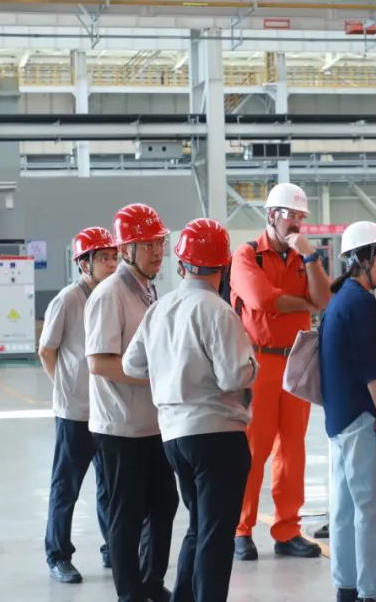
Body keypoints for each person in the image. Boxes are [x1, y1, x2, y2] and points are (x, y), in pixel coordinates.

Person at [124, 218, 258, 602]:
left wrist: (169, 374)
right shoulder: (217, 311)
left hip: (174, 437)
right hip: (217, 436)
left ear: (182, 264)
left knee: (199, 528)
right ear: (224, 265)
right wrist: (253, 364)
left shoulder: (160, 308)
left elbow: (132, 365)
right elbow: (234, 377)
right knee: (216, 535)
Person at [229, 182, 331, 561]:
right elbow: (260, 299)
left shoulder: (303, 257)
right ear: (272, 215)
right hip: (260, 363)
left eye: (301, 216)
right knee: (254, 448)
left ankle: (287, 529)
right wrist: (302, 302)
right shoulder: (247, 255)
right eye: (291, 215)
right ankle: (241, 529)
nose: (296, 223)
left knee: (293, 448)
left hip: (297, 360)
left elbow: (323, 299)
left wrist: (311, 258)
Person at [85, 203, 180, 602]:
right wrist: (155, 377)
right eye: (148, 245)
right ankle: (130, 593)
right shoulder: (109, 295)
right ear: (126, 249)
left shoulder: (148, 289)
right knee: (127, 514)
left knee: (164, 504)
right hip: (121, 428)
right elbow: (99, 362)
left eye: (159, 243)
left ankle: (151, 582)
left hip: (152, 424)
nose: (157, 252)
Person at [319, 221, 376, 602]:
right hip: (362, 419)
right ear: (364, 260)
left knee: (346, 509)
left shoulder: (339, 300)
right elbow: (370, 368)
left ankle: (347, 586)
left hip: (339, 420)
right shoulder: (362, 303)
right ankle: (373, 592)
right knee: (374, 509)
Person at [39, 226, 118, 584]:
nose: (111, 263)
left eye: (114, 257)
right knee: (66, 486)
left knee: (110, 486)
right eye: (103, 257)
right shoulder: (69, 300)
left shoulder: (113, 297)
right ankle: (58, 555)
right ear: (84, 263)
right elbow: (46, 350)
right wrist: (64, 387)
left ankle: (112, 548)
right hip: (75, 413)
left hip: (108, 410)